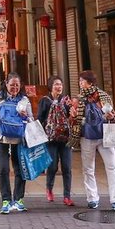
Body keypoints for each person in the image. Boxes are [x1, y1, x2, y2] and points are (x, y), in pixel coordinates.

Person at [71, 70, 115, 211]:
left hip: (105, 136)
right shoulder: (79, 99)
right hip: (86, 137)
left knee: (112, 167)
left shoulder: (103, 96)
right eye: (80, 81)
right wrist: (74, 116)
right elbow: (74, 120)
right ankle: (92, 198)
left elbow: (113, 115)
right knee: (88, 169)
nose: (80, 83)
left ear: (90, 82)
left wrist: (109, 116)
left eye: (82, 81)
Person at [0, 72, 33, 214]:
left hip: (19, 139)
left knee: (20, 169)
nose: (14, 88)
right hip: (0, 139)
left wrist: (26, 117)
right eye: (12, 85)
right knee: (3, 169)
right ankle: (6, 200)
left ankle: (18, 199)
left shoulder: (24, 100)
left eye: (17, 85)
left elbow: (31, 120)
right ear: (6, 84)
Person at [36, 77, 74, 206]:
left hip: (65, 139)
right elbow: (39, 119)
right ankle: (49, 189)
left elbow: (71, 116)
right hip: (50, 139)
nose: (59, 87)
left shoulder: (66, 101)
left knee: (67, 167)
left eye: (61, 84)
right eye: (57, 84)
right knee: (52, 167)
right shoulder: (45, 101)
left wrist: (73, 110)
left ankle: (67, 196)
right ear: (51, 86)